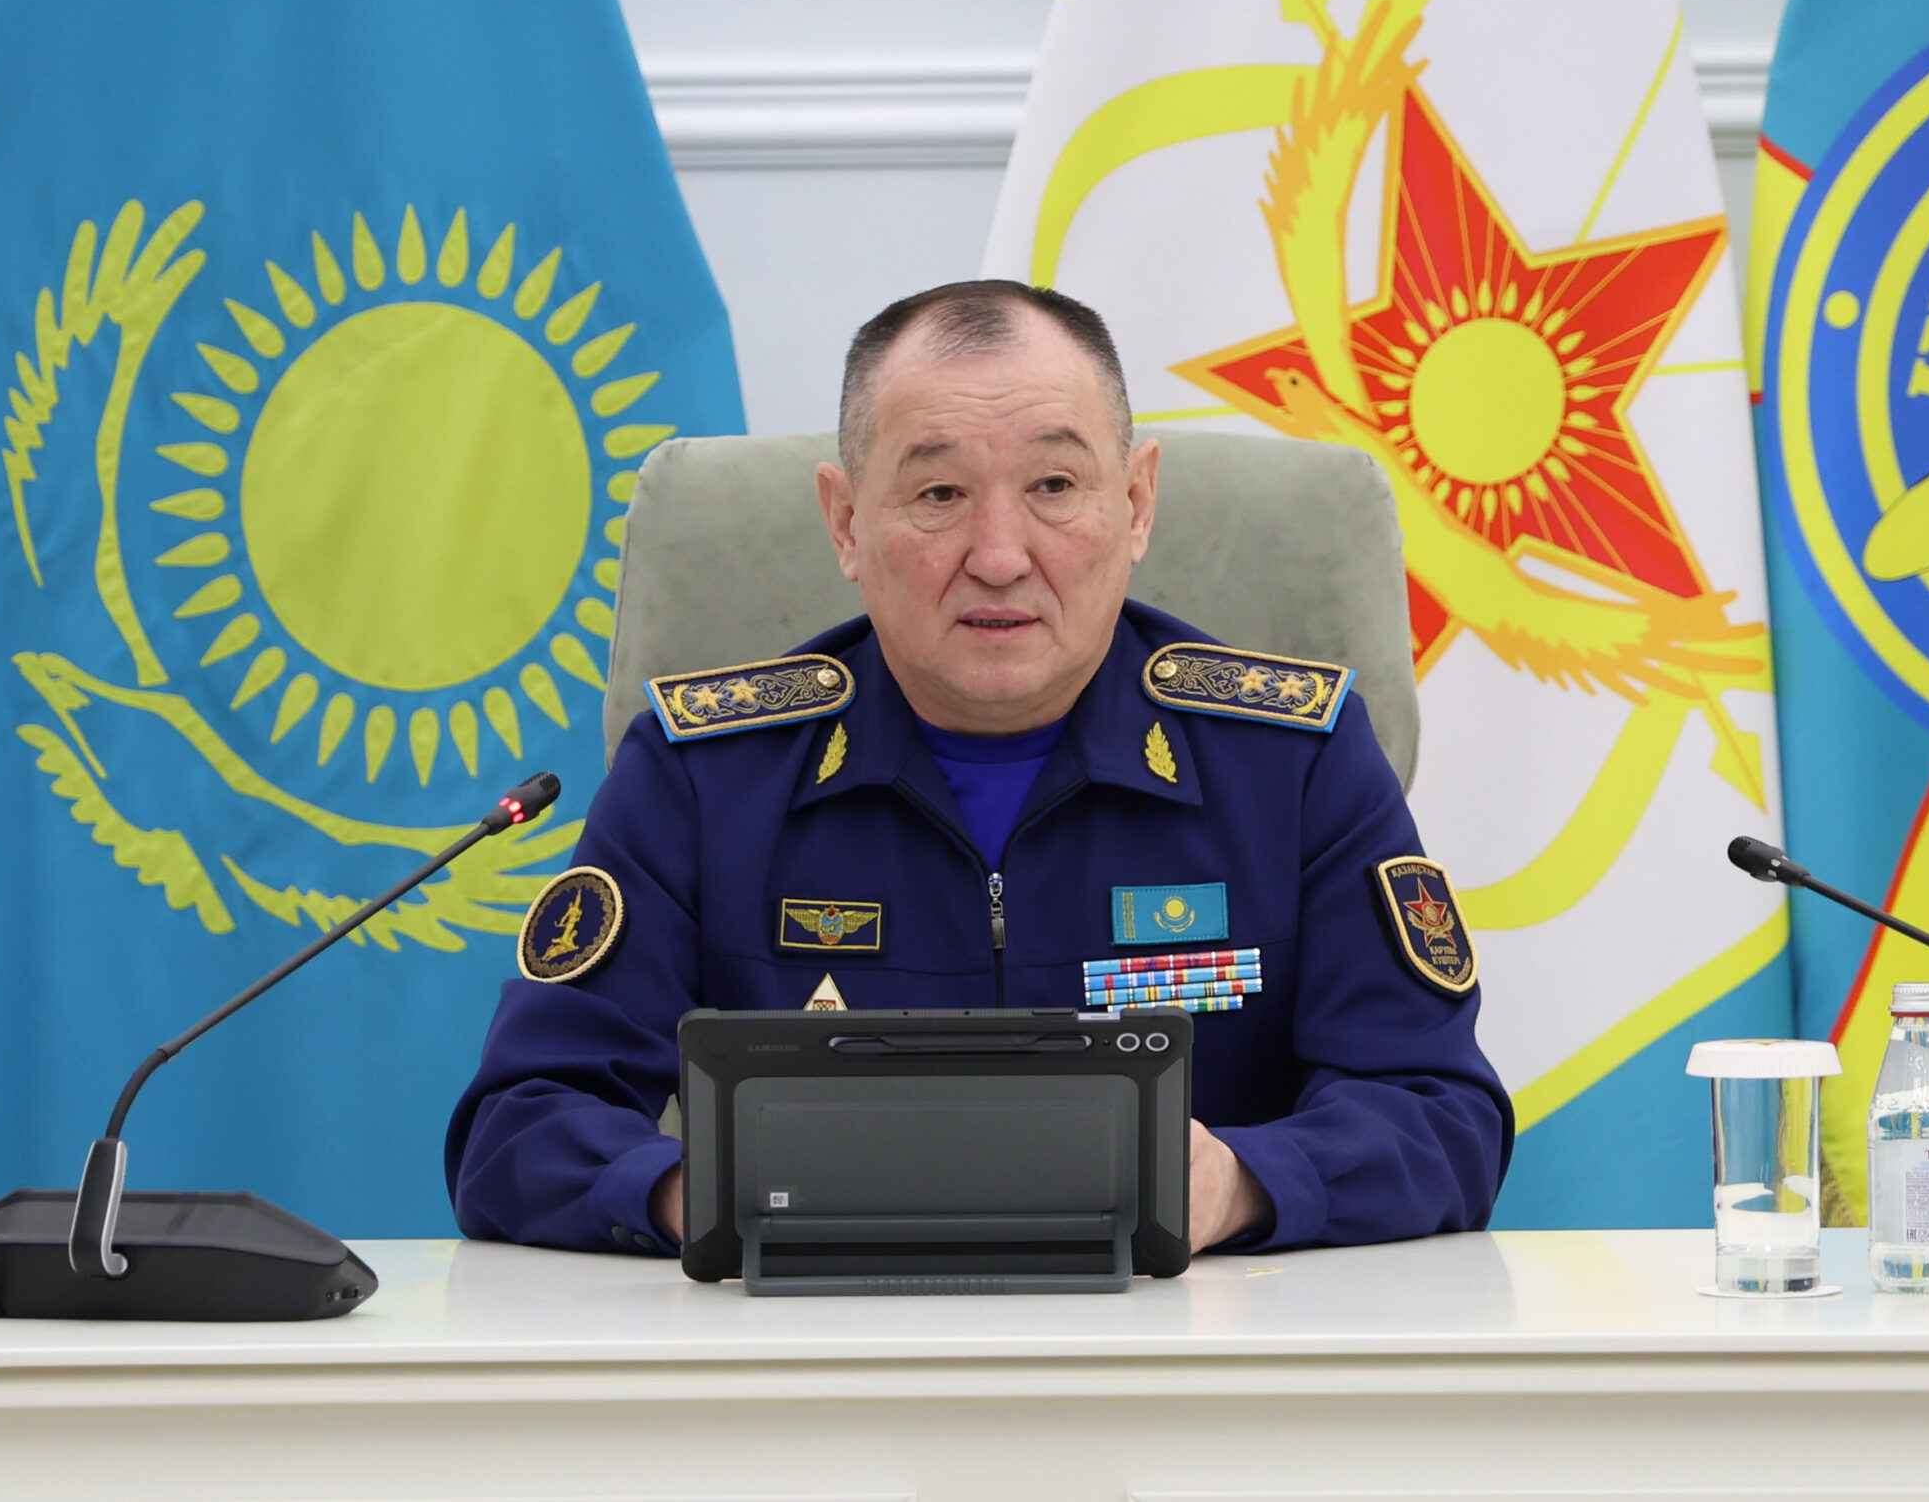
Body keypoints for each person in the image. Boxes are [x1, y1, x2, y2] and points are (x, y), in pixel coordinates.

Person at [446, 280, 1512, 1256]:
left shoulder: (1292, 761)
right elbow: (520, 1125)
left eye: (1054, 484)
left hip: (1187, 1353)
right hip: (819, 1356)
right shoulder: (704, 775)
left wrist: (1237, 1183)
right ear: (845, 522)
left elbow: (1439, 1111)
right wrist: (714, 1190)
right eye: (940, 494)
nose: (1000, 555)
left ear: (1136, 505)